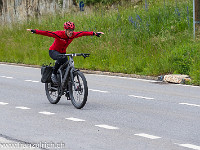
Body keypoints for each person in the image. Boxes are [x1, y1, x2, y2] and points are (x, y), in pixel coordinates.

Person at [27, 21, 104, 84]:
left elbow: (82, 33)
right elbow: (47, 33)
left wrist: (94, 33)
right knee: (61, 58)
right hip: (53, 51)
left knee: (67, 66)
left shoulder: (73, 35)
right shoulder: (59, 34)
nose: (71, 32)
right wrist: (35, 31)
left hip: (63, 53)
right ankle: (53, 74)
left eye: (72, 30)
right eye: (69, 30)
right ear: (65, 30)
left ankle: (68, 85)